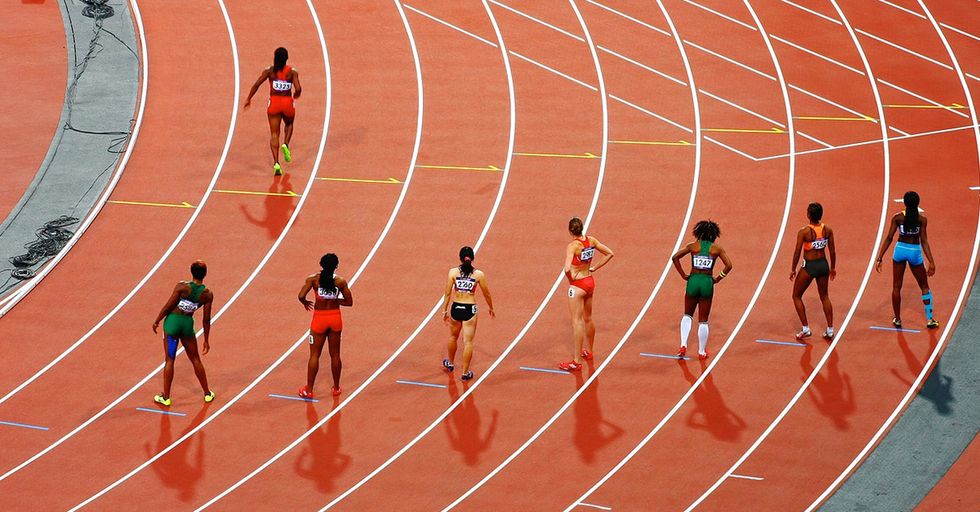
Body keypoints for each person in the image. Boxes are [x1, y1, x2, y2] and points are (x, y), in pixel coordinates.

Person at [151, 261, 215, 406]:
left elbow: (168, 306)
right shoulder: (207, 294)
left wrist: (157, 320)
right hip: (187, 326)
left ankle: (166, 398)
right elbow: (206, 319)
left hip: (172, 324)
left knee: (169, 360)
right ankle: (207, 393)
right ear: (205, 274)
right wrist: (206, 339)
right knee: (195, 359)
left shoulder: (182, 287)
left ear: (191, 272)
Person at [874, 191, 939, 329]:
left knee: (896, 287)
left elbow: (889, 238)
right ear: (918, 203)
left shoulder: (897, 218)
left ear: (904, 203)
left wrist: (880, 257)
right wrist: (931, 262)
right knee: (924, 286)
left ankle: (897, 319)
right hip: (914, 251)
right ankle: (929, 319)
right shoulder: (922, 220)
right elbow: (924, 241)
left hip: (900, 251)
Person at [671, 220, 733, 360]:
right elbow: (729, 265)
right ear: (714, 235)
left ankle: (683, 345)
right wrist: (718, 278)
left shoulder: (693, 246)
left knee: (687, 315)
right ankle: (701, 351)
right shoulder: (716, 249)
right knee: (703, 320)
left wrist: (683, 275)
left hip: (693, 281)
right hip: (707, 282)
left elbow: (675, 257)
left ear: (698, 233)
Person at [560, 217, 613, 371]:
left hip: (577, 285)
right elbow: (609, 253)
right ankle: (589, 352)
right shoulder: (591, 241)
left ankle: (576, 362)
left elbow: (567, 269)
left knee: (577, 322)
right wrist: (595, 268)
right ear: (582, 228)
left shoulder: (572, 246)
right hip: (589, 281)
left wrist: (572, 281)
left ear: (570, 231)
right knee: (588, 318)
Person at [298, 253, 353, 398]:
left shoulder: (313, 280)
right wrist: (335, 300)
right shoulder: (340, 282)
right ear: (336, 266)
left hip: (319, 319)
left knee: (314, 355)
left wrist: (305, 302)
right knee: (335, 354)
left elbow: (301, 296)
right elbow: (349, 302)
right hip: (335, 318)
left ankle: (309, 390)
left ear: (321, 264)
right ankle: (336, 388)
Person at [244, 47, 302, 176]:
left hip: (274, 103)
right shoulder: (292, 72)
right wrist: (296, 94)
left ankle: (276, 163)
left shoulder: (269, 71)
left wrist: (249, 98)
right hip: (287, 102)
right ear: (286, 58)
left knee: (274, 134)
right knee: (289, 124)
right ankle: (286, 144)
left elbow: (257, 84)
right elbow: (298, 88)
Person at [441, 246, 495, 381]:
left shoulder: (452, 272)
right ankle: (465, 373)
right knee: (468, 342)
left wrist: (445, 310)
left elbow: (447, 293)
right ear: (472, 259)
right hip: (470, 309)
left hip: (456, 307)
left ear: (460, 258)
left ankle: (451, 364)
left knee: (453, 337)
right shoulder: (478, 275)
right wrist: (491, 307)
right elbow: (486, 293)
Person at [790, 202, 837, 340]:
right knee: (825, 296)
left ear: (808, 215)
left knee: (796, 295)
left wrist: (793, 269)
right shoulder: (827, 230)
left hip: (809, 266)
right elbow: (832, 251)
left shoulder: (803, 232)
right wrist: (833, 267)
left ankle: (805, 329)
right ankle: (830, 329)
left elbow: (797, 252)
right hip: (823, 265)